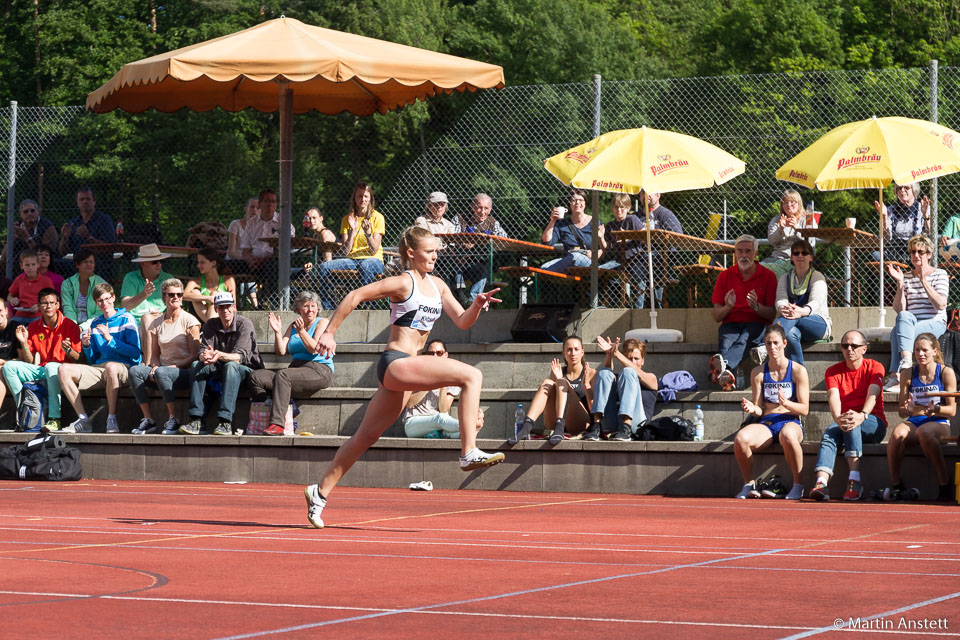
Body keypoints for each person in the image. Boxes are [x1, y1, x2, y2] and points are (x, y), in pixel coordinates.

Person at [303, 226, 504, 529]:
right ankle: (468, 452)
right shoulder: (401, 282)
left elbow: (462, 322)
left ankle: (318, 493)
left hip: (407, 370)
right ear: (411, 253)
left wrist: (475, 306)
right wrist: (330, 333)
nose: (435, 255)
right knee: (471, 376)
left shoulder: (438, 285)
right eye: (429, 251)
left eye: (437, 250)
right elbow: (355, 295)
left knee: (366, 437)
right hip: (396, 363)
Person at [733, 324, 810, 500]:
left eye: (776, 343)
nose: (772, 347)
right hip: (767, 423)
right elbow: (760, 408)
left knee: (788, 436)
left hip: (790, 420)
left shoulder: (798, 370)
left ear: (784, 343)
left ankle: (798, 484)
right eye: (768, 343)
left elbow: (804, 409)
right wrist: (753, 408)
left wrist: (787, 404)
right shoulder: (758, 372)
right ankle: (749, 484)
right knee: (740, 439)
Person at [809, 330, 886, 502]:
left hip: (873, 422)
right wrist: (837, 418)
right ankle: (821, 483)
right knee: (830, 433)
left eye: (854, 346)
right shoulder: (832, 371)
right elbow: (833, 397)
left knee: (852, 422)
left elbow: (873, 394)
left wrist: (862, 415)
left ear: (864, 349)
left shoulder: (875, 367)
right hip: (846, 420)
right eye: (845, 346)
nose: (849, 349)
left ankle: (855, 481)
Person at [58, 283, 141, 434]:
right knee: (63, 369)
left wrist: (110, 339)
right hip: (100, 368)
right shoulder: (95, 322)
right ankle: (83, 419)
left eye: (107, 299)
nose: (105, 304)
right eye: (100, 301)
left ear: (113, 297)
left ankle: (111, 418)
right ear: (96, 303)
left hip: (124, 368)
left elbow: (135, 353)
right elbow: (92, 359)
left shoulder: (126, 318)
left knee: (111, 367)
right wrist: (87, 345)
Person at [249, 291, 333, 436]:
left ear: (318, 308)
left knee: (283, 375)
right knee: (256, 376)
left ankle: (277, 424)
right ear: (298, 309)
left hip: (319, 369)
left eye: (313, 306)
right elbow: (281, 351)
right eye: (306, 306)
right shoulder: (294, 325)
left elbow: (314, 349)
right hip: (296, 370)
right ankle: (267, 408)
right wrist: (277, 332)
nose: (310, 310)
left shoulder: (322, 322)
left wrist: (302, 332)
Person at [884, 333, 957, 502]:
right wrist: (909, 410)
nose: (920, 354)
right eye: (917, 350)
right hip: (915, 421)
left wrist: (935, 409)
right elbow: (902, 412)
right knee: (896, 435)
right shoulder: (907, 373)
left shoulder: (946, 372)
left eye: (925, 350)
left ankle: (944, 483)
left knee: (924, 432)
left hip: (939, 421)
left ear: (934, 351)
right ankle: (896, 484)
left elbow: (952, 411)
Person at [179, 292, 263, 436]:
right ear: (216, 309)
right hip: (220, 368)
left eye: (228, 306)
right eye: (221, 307)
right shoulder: (211, 324)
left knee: (231, 366)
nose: (225, 310)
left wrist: (218, 355)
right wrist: (203, 356)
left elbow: (239, 357)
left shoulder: (244, 324)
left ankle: (225, 422)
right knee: (196, 366)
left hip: (248, 372)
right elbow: (202, 350)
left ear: (234, 307)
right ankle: (196, 420)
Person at [1, 288, 81, 431]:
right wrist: (24, 342)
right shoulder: (33, 326)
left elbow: (78, 358)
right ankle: (26, 410)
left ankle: (54, 418)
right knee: (9, 367)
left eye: (51, 303)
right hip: (42, 369)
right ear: (38, 306)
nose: (48, 306)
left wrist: (68, 350)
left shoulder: (70, 325)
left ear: (58, 305)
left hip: (63, 372)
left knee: (51, 366)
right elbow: (30, 361)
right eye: (44, 303)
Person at [128, 278, 201, 435]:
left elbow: (195, 356)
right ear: (164, 297)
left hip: (183, 371)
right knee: (135, 370)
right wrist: (154, 367)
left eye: (179, 294)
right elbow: (154, 355)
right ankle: (148, 419)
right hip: (162, 372)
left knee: (161, 372)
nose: (176, 298)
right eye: (171, 294)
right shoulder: (157, 322)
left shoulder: (190, 321)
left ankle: (173, 418)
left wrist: (171, 367)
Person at [709, 235, 777, 389]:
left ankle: (721, 369)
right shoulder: (725, 276)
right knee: (726, 342)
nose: (744, 255)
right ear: (735, 254)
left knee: (744, 339)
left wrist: (756, 306)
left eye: (748, 251)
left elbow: (772, 315)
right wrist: (728, 307)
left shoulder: (768, 276)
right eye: (740, 251)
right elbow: (716, 316)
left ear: (755, 254)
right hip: (731, 322)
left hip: (756, 323)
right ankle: (727, 376)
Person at [883, 234, 948, 391]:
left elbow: (940, 304)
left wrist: (923, 280)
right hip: (912, 320)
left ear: (929, 255)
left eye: (921, 252)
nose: (916, 255)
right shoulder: (906, 276)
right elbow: (900, 309)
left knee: (896, 333)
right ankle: (905, 363)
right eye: (913, 252)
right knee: (901, 320)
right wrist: (900, 284)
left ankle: (897, 375)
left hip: (935, 321)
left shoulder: (940, 274)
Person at [510, 335, 595, 445]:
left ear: (582, 352)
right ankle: (526, 427)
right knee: (547, 382)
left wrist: (584, 384)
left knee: (562, 382)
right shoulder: (558, 371)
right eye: (569, 350)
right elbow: (549, 400)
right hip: (554, 423)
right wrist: (555, 379)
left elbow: (594, 407)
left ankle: (559, 427)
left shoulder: (591, 373)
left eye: (576, 349)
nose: (573, 353)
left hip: (581, 423)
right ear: (563, 353)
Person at [316, 183, 386, 310]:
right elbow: (346, 251)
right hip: (353, 260)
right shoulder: (347, 219)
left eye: (365, 196)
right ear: (354, 198)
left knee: (365, 266)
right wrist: (352, 230)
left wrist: (368, 233)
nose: (362, 199)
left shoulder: (378, 217)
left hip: (373, 259)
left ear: (370, 198)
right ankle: (329, 307)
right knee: (324, 267)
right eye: (359, 196)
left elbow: (374, 249)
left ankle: (369, 307)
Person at [401, 339, 476, 438]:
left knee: (460, 435)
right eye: (431, 353)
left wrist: (442, 382)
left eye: (439, 353)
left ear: (445, 355)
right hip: (413, 423)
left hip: (437, 425)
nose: (435, 356)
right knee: (440, 418)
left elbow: (444, 408)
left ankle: (468, 433)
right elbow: (410, 403)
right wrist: (430, 381)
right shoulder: (416, 374)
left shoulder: (452, 379)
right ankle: (470, 426)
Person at [774, 239, 831, 365]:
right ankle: (799, 375)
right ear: (792, 258)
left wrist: (800, 312)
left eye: (804, 253)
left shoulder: (817, 277)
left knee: (794, 317)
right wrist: (783, 308)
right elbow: (780, 299)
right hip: (792, 324)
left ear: (811, 257)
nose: (800, 256)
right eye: (796, 253)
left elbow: (816, 302)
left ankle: (765, 343)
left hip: (819, 323)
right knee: (789, 335)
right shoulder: (785, 278)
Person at [589, 336, 658, 442]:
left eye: (636, 358)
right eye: (629, 358)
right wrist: (609, 354)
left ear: (642, 360)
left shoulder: (650, 378)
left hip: (637, 426)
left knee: (628, 372)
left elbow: (635, 372)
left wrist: (617, 354)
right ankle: (597, 426)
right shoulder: (621, 377)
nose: (633, 362)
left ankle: (627, 427)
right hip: (613, 423)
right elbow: (606, 375)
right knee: (604, 372)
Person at [451, 193, 507, 302]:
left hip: (474, 264)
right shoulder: (460, 218)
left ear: (490, 209)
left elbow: (504, 239)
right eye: (479, 207)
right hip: (458, 261)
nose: (482, 211)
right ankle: (460, 295)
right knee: (453, 264)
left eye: (486, 208)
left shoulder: (492, 222)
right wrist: (464, 243)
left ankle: (473, 301)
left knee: (482, 270)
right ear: (472, 206)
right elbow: (453, 238)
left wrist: (486, 241)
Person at [541, 189, 606, 275]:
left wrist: (595, 254)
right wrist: (552, 221)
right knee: (543, 267)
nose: (577, 203)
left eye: (581, 200)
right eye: (573, 200)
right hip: (568, 260)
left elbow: (603, 248)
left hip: (589, 262)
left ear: (585, 203)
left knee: (576, 256)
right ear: (569, 204)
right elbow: (547, 242)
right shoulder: (562, 224)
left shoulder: (595, 222)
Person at [120, 243, 175, 341]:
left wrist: (163, 315)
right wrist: (144, 294)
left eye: (160, 261)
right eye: (154, 262)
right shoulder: (130, 278)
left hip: (163, 321)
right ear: (143, 263)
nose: (159, 264)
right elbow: (125, 306)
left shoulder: (168, 279)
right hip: (136, 324)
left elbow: (176, 307)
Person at [599, 193, 644, 308]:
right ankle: (613, 305)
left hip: (635, 259)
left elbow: (645, 236)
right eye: (616, 207)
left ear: (628, 207)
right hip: (618, 260)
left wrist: (628, 236)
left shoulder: (632, 219)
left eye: (622, 207)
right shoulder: (610, 225)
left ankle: (639, 310)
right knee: (599, 271)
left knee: (639, 280)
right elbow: (606, 248)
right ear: (612, 209)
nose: (619, 210)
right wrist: (600, 237)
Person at [873, 182, 930, 263]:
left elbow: (931, 234)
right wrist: (884, 216)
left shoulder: (923, 208)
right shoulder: (890, 210)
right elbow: (886, 240)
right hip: (895, 250)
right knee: (875, 255)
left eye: (906, 187)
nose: (902, 190)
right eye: (899, 188)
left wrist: (925, 214)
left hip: (915, 250)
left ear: (914, 190)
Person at [762, 190, 810, 278]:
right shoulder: (776, 220)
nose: (789, 205)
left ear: (799, 203)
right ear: (782, 205)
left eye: (792, 202)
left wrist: (797, 228)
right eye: (785, 202)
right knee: (758, 269)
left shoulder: (807, 220)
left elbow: (810, 243)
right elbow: (772, 241)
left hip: (799, 258)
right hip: (777, 258)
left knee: (772, 273)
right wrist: (780, 229)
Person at [58, 187, 116, 258]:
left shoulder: (105, 220)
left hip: (100, 263)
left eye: (88, 199)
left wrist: (88, 238)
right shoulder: (73, 223)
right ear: (77, 203)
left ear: (94, 202)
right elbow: (62, 252)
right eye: (81, 199)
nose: (85, 202)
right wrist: (64, 238)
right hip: (78, 263)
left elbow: (109, 248)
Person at [415, 192, 457, 288]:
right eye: (436, 204)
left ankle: (457, 291)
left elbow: (452, 245)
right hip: (428, 255)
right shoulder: (421, 220)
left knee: (453, 261)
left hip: (445, 257)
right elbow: (424, 241)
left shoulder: (449, 225)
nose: (439, 207)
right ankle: (456, 292)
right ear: (429, 205)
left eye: (442, 204)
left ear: (446, 206)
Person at [183, 249, 237, 322]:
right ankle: (211, 325)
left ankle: (210, 325)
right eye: (198, 262)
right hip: (206, 318)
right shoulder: (195, 281)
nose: (198, 265)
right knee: (195, 292)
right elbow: (183, 295)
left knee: (215, 293)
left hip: (225, 316)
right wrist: (208, 298)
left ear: (213, 263)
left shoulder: (228, 280)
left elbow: (233, 303)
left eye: (202, 262)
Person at [60, 249, 108, 331]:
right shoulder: (67, 284)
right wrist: (73, 327)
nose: (89, 264)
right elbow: (68, 309)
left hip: (96, 325)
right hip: (73, 326)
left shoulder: (102, 284)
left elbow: (99, 312)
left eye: (91, 262)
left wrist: (82, 328)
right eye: (85, 262)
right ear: (77, 265)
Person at [0, 199, 58, 265]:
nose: (29, 214)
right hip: (20, 262)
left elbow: (44, 255)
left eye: (32, 211)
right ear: (20, 214)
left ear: (38, 211)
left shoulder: (48, 226)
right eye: (25, 212)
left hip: (42, 264)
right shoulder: (18, 226)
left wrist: (27, 238)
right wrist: (12, 238)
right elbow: (3, 257)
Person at [7, 249, 54, 326]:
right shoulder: (19, 279)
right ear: (21, 266)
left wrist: (39, 306)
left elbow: (52, 299)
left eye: (33, 264)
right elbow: (9, 296)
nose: (30, 268)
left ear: (38, 265)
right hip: (20, 315)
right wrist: (12, 299)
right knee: (11, 326)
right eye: (27, 265)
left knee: (36, 327)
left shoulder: (46, 281)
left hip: (39, 315)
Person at [0, 304, 25, 415]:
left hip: (13, 368)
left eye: (0, 310)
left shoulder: (15, 328)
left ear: (6, 311)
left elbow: (23, 359)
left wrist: (4, 362)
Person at [227, 197, 259, 262]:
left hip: (254, 262)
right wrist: (247, 259)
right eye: (252, 207)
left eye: (258, 208)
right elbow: (231, 253)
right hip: (236, 261)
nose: (255, 209)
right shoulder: (235, 224)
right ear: (246, 209)